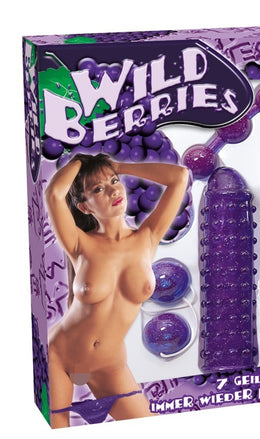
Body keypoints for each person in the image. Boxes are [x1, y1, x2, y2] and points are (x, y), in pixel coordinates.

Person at [44, 153, 189, 428]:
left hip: (108, 366)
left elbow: (179, 177)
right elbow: (54, 194)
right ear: (84, 207)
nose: (113, 191)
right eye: (98, 189)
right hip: (60, 355)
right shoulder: (79, 243)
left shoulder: (147, 237)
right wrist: (81, 161)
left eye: (114, 181)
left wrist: (118, 166)